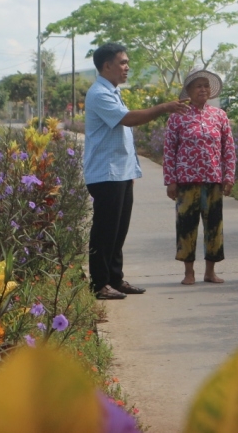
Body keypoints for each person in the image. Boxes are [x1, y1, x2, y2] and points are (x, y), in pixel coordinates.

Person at [84, 42, 188, 300]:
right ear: (106, 66)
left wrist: (131, 172)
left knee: (118, 231)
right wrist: (163, 108)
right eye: (122, 62)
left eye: (126, 62)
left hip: (120, 173)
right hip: (106, 173)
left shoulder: (113, 91)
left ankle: (115, 279)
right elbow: (128, 119)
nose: (127, 67)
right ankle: (99, 284)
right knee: (105, 231)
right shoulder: (100, 93)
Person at [163, 68, 236, 285]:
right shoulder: (177, 116)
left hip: (213, 179)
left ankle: (210, 271)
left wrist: (229, 176)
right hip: (186, 180)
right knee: (186, 225)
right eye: (198, 86)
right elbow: (169, 150)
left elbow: (229, 148)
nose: (203, 89)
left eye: (206, 85)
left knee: (214, 225)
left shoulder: (219, 115)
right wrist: (170, 180)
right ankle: (189, 272)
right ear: (189, 90)